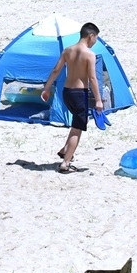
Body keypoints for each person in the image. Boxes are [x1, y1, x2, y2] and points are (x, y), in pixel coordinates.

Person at [41, 22, 104, 174]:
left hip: (67, 92)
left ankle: (64, 150)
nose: (95, 41)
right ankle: (66, 163)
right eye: (96, 38)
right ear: (91, 36)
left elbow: (56, 70)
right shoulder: (89, 54)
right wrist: (98, 100)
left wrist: (47, 88)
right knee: (77, 129)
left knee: (77, 123)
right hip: (79, 94)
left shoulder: (68, 50)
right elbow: (92, 78)